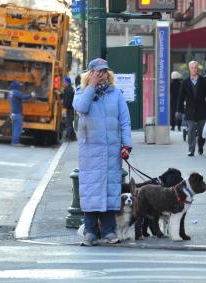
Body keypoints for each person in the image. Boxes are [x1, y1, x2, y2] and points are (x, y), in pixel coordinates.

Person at [73, 58, 133, 246]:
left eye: (104, 71)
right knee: (90, 190)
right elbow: (81, 108)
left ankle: (108, 231)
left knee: (109, 190)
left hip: (111, 151)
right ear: (90, 74)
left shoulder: (116, 94)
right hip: (90, 151)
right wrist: (90, 86)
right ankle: (90, 231)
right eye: (98, 72)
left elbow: (125, 120)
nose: (102, 75)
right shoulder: (81, 92)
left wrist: (126, 144)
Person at [176, 60, 206, 156]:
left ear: (198, 69)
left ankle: (201, 146)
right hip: (190, 110)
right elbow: (181, 98)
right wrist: (179, 111)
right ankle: (191, 149)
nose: (194, 69)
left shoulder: (204, 80)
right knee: (191, 129)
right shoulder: (185, 82)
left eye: (195, 67)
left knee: (202, 131)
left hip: (201, 109)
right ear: (189, 69)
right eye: (192, 68)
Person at [9, 80, 33, 146]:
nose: (20, 87)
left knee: (14, 128)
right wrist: (31, 95)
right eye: (19, 86)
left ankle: (13, 142)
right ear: (16, 86)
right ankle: (15, 143)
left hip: (13, 113)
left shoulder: (11, 92)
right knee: (18, 128)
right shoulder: (16, 92)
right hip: (17, 114)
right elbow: (24, 97)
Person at [62, 77, 76, 141]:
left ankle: (68, 137)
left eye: (64, 82)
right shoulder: (70, 89)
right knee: (69, 122)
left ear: (67, 82)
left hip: (69, 109)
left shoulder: (67, 90)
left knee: (68, 123)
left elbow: (67, 101)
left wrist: (64, 107)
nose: (63, 83)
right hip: (71, 108)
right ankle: (73, 137)